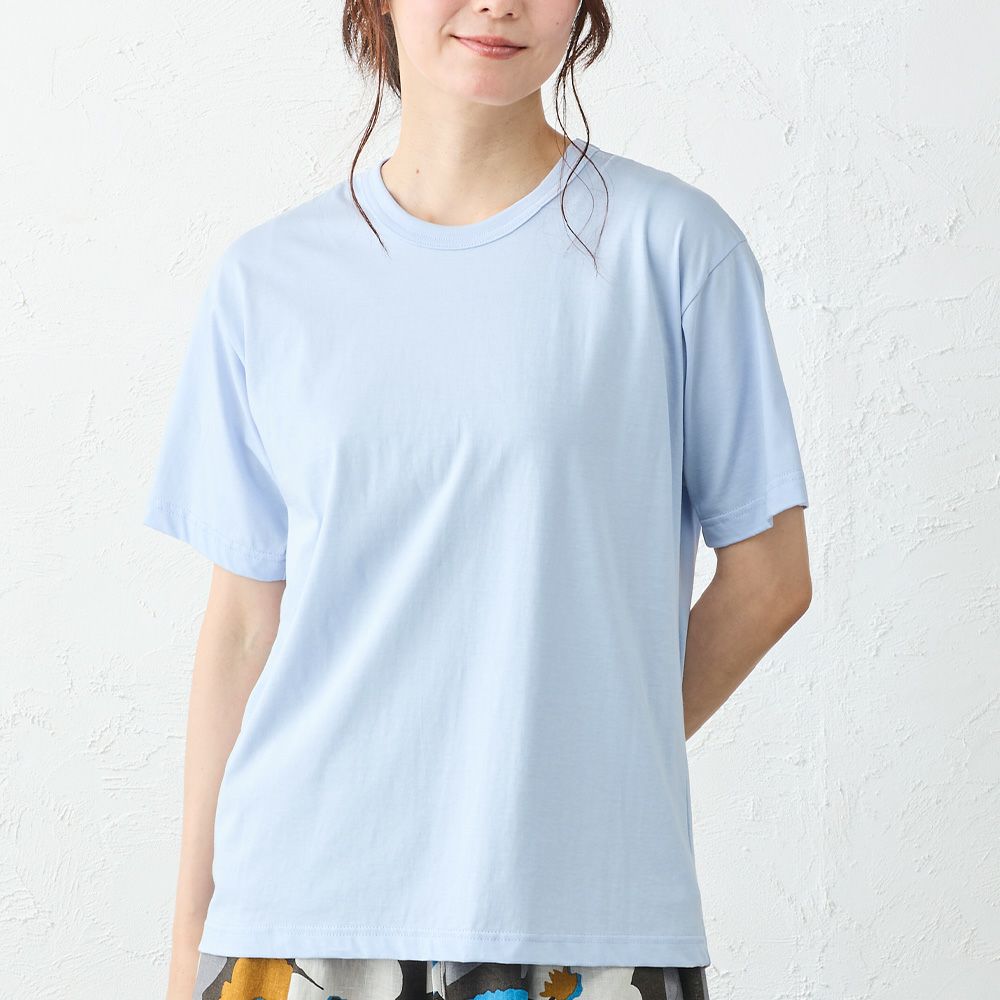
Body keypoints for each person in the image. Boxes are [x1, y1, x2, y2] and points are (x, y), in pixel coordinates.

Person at [142, 2, 813, 999]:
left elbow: (771, 580)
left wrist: (574, 770)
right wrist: (189, 940)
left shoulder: (672, 249)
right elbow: (242, 626)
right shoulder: (267, 280)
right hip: (296, 905)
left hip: (576, 914)